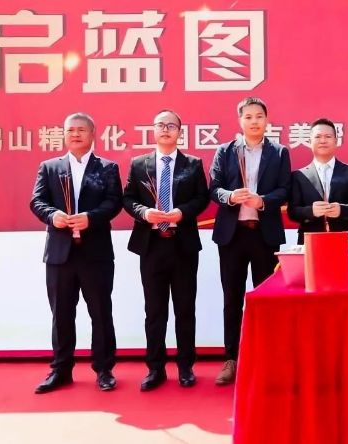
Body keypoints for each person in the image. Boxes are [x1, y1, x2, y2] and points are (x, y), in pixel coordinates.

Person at [30, 112, 122, 394]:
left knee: (101, 312)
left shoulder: (107, 168)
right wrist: (52, 215)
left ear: (93, 134)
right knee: (61, 314)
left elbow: (114, 202)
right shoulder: (49, 167)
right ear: (64, 134)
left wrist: (90, 218)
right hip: (60, 254)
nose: (76, 134)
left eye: (81, 130)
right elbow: (37, 201)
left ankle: (104, 369)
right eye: (70, 130)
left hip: (95, 253)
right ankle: (61, 369)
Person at [123, 109, 209, 391]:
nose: (165, 129)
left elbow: (202, 198)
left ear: (179, 132)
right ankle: (155, 368)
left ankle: (185, 366)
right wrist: (144, 212)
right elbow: (128, 199)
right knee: (154, 310)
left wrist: (182, 212)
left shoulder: (193, 164)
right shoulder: (139, 164)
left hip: (182, 245)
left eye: (171, 125)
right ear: (153, 129)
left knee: (185, 309)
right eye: (160, 125)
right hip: (151, 245)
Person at [209, 97, 291, 385]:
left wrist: (263, 200)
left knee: (266, 300)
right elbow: (214, 188)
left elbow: (285, 190)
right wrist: (230, 196)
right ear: (240, 120)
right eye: (248, 117)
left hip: (264, 235)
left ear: (267, 120)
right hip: (232, 235)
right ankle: (231, 359)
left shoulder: (279, 152)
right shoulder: (225, 151)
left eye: (259, 116)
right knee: (232, 299)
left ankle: (267, 359)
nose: (254, 121)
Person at [287, 118, 348, 244]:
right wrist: (311, 211)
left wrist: (342, 210)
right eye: (318, 137)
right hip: (310, 241)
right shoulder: (298, 176)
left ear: (336, 141)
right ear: (309, 141)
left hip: (345, 239)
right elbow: (292, 211)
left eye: (328, 136)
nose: (323, 141)